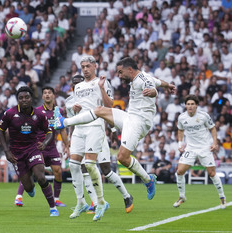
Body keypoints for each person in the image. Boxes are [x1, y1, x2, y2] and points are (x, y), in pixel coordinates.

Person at [54, 57, 176, 202]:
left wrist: (153, 92)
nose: (119, 76)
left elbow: (152, 88)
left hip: (139, 123)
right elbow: (157, 81)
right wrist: (167, 85)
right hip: (130, 117)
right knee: (100, 110)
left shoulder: (143, 80)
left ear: (129, 69)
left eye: (120, 72)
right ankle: (65, 122)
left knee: (122, 158)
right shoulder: (144, 76)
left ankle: (147, 180)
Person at [66, 75, 134, 214]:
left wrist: (113, 129)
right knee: (84, 168)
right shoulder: (69, 102)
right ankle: (96, 203)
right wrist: (69, 139)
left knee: (106, 170)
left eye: (80, 83)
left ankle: (127, 196)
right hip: (80, 135)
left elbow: (105, 112)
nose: (79, 87)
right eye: (75, 85)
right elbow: (72, 121)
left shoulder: (94, 95)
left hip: (97, 133)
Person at [58, 55, 114, 221]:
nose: (85, 69)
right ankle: (80, 202)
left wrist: (102, 88)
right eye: (83, 66)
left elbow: (110, 105)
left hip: (95, 127)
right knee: (74, 166)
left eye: (88, 66)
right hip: (79, 129)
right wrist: (75, 109)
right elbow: (78, 109)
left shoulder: (102, 82)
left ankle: (100, 202)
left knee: (89, 165)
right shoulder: (79, 87)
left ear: (95, 66)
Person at [0, 86, 59, 217]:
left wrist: (45, 143)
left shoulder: (39, 115)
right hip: (16, 154)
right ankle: (29, 188)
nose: (24, 100)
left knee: (41, 177)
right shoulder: (10, 114)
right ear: (17, 100)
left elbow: (49, 132)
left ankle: (53, 208)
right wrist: (7, 151)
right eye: (21, 98)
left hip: (33, 149)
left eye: (27, 97)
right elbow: (0, 131)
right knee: (28, 187)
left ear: (31, 98)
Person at [14, 86, 69, 208]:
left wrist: (67, 146)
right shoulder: (37, 111)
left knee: (58, 171)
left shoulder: (59, 111)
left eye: (50, 92)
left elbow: (62, 129)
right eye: (45, 93)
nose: (47, 95)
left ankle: (56, 199)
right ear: (43, 96)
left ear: (54, 95)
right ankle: (19, 197)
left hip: (52, 146)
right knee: (29, 171)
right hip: (37, 146)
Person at [173, 95, 226, 209]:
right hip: (190, 148)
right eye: (188, 104)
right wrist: (180, 144)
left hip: (204, 147)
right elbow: (180, 130)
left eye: (192, 104)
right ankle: (182, 197)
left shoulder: (203, 116)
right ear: (185, 105)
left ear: (196, 105)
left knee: (212, 173)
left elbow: (212, 128)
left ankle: (222, 197)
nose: (190, 106)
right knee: (180, 171)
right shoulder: (182, 117)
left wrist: (214, 143)